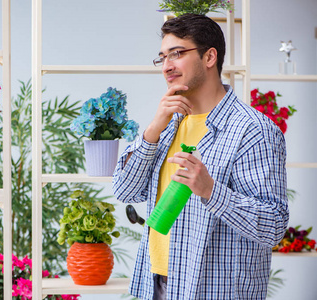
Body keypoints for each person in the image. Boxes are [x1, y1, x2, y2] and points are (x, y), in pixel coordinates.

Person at [112, 14, 289, 300]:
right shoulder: (168, 123)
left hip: (215, 289)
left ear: (209, 57)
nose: (167, 65)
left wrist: (210, 190)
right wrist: (153, 130)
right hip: (158, 282)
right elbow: (124, 190)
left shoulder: (252, 130)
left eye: (178, 53)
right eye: (162, 57)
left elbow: (274, 225)